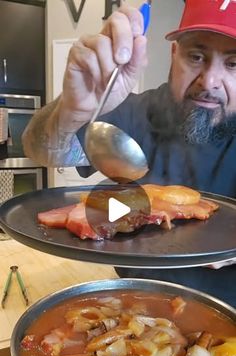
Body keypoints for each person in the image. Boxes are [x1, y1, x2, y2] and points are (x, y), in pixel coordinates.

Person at [22, 0, 236, 307]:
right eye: (196, 56)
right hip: (128, 308)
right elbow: (41, 150)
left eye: (233, 63)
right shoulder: (136, 110)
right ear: (174, 54)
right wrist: (68, 114)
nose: (210, 81)